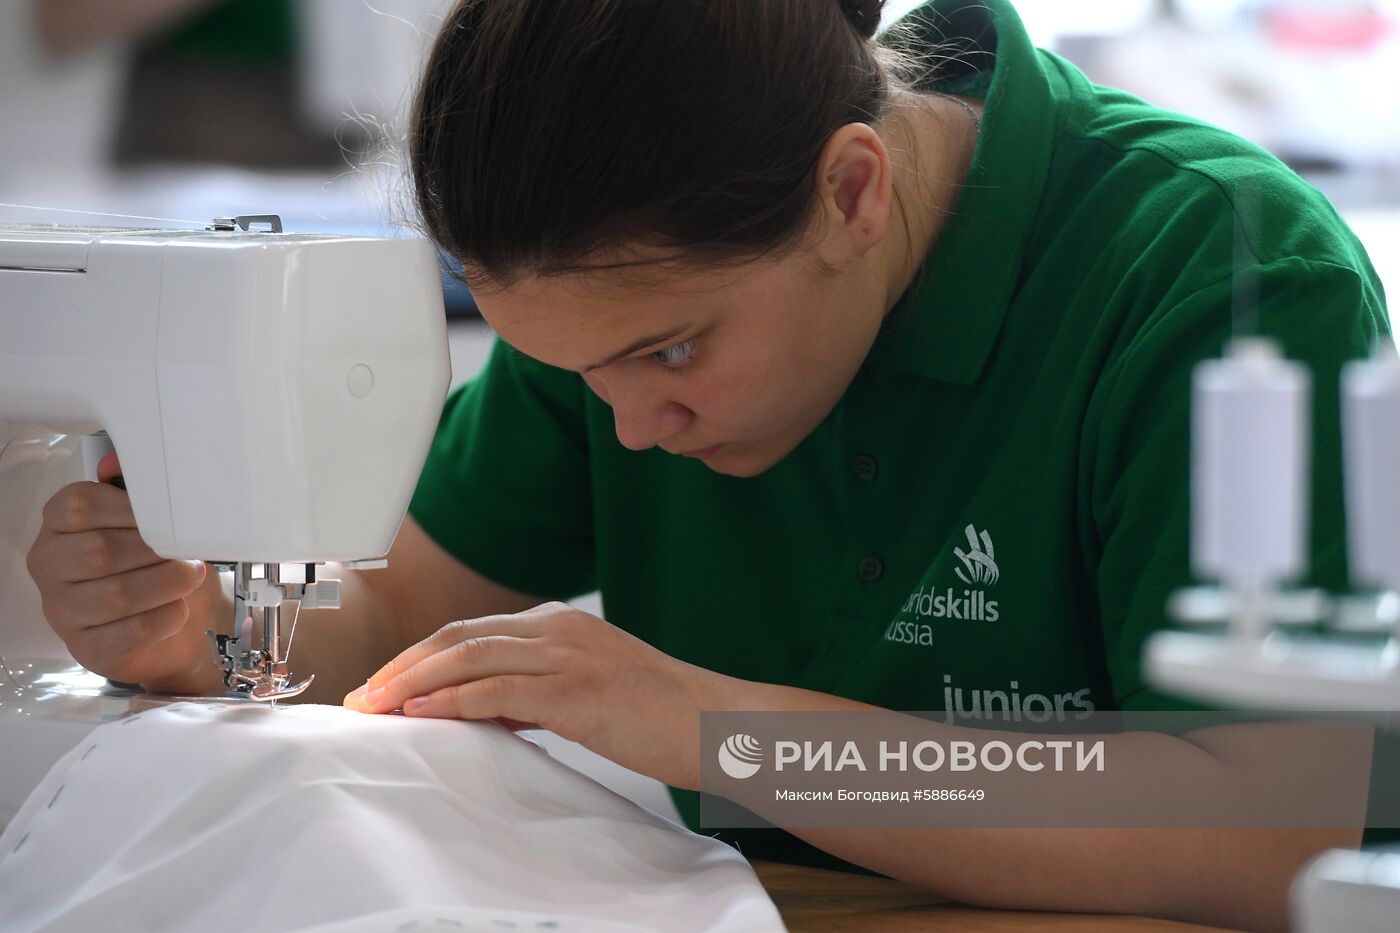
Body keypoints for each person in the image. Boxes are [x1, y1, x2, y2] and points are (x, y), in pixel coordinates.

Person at [25, 0, 1391, 929]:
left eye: (671, 354)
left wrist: (721, 732)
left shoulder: (1220, 277)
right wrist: (198, 625)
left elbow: (1282, 819)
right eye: (574, 372)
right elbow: (395, 613)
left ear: (853, 191)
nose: (624, 430)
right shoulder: (613, 322)